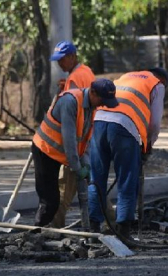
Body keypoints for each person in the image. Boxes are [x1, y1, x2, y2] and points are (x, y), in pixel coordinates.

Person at [87, 68, 168, 239]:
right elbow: (154, 124)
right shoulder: (157, 85)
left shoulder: (125, 77)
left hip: (99, 121)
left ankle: (93, 229)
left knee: (97, 178)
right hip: (123, 126)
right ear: (162, 79)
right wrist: (147, 148)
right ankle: (123, 230)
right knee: (127, 179)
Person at [31, 79, 118, 227]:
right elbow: (69, 140)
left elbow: (84, 138)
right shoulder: (70, 102)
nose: (103, 104)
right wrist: (77, 168)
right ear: (92, 92)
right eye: (102, 100)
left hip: (62, 153)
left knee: (59, 198)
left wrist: (85, 163)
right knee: (50, 201)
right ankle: (37, 233)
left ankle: (51, 231)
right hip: (45, 150)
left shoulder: (91, 106)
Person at [49, 41, 96, 228]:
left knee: (64, 188)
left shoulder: (76, 78)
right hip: (87, 136)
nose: (59, 64)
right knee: (91, 184)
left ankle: (54, 227)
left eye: (62, 60)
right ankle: (111, 223)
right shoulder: (85, 72)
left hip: (77, 140)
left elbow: (69, 112)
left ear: (72, 57)